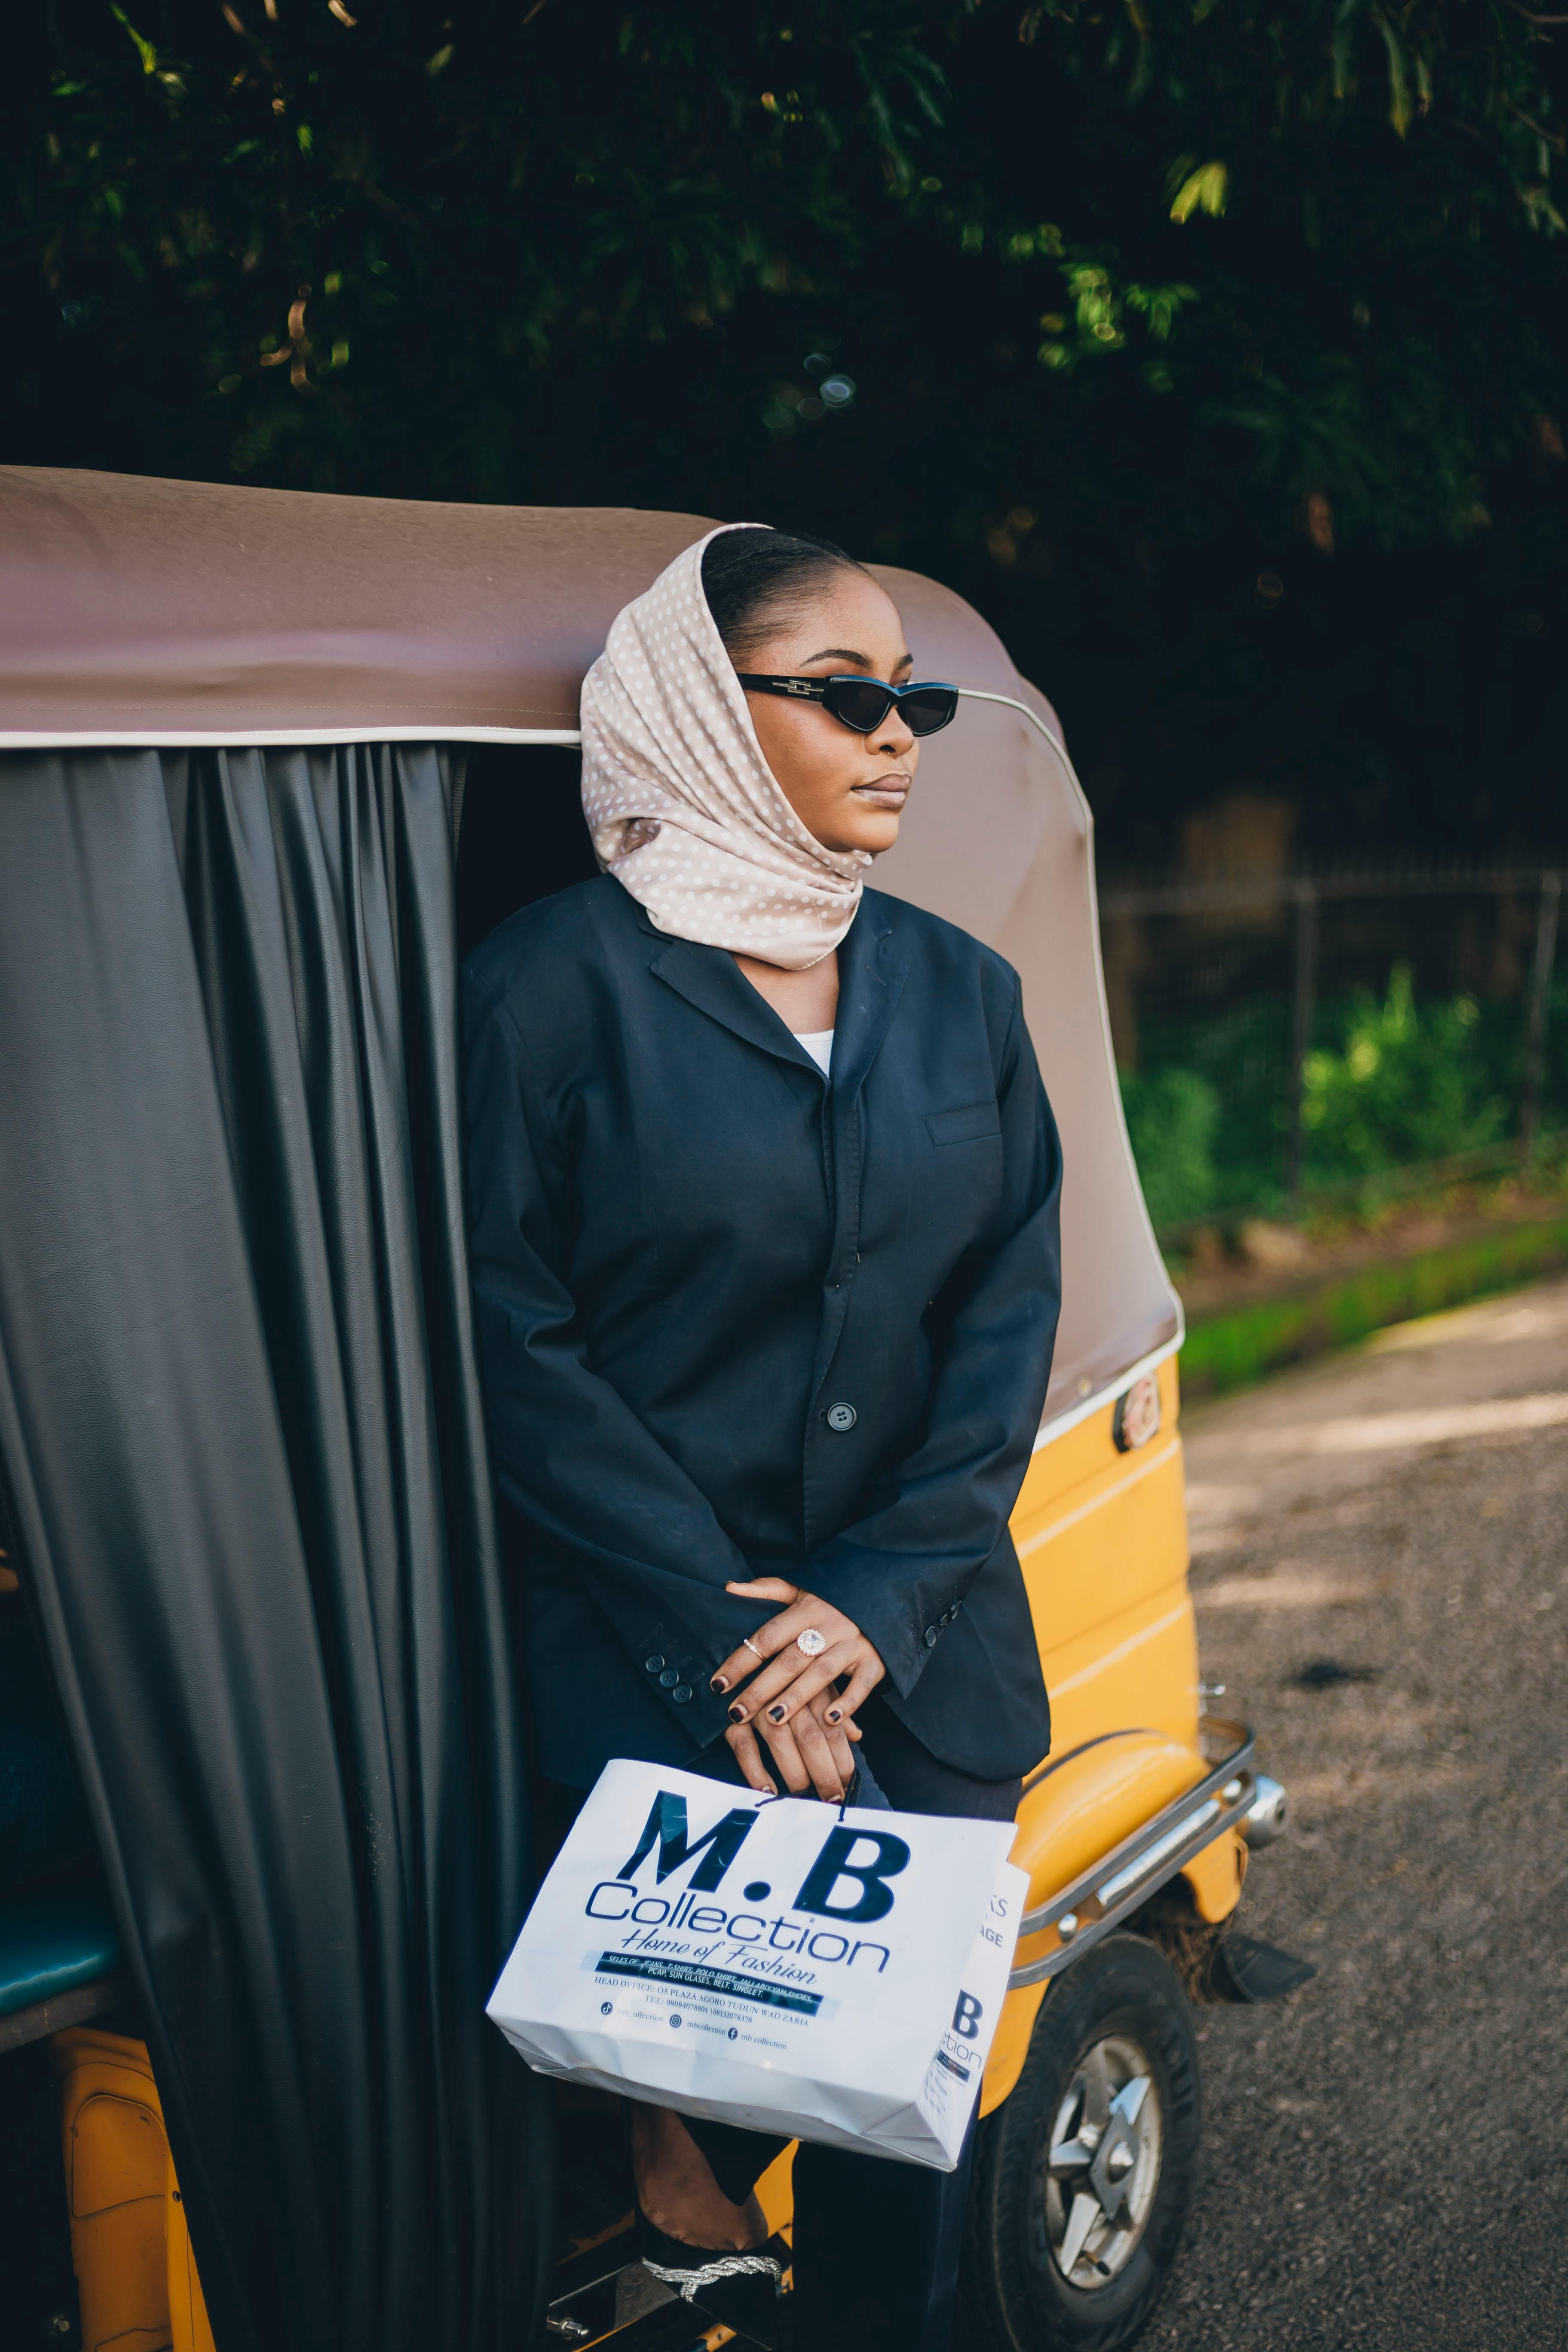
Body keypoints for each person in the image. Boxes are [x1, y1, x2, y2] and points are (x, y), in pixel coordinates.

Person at [463, 523, 1063, 2352]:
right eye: (850, 694)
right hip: (641, 1672)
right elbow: (508, 1334)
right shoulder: (543, 990)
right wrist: (731, 1627)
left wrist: (868, 1602)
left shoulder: (965, 989)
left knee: (907, 2190)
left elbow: (1003, 1330)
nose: (899, 736)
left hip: (923, 1666)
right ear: (696, 712)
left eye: (920, 703)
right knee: (681, 2221)